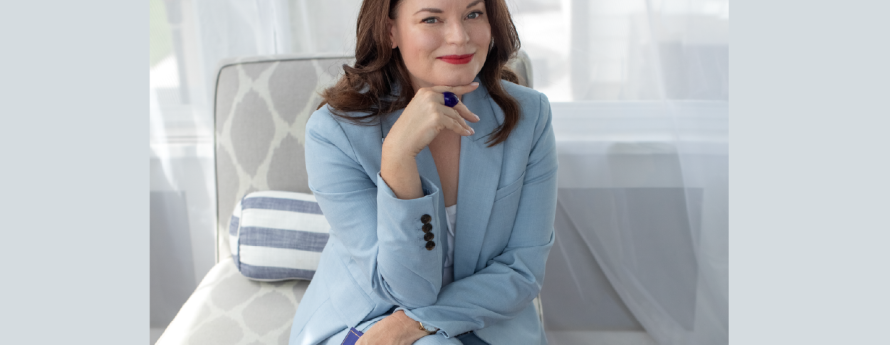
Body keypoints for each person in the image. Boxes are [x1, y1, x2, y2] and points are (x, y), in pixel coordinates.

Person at [288, 0, 557, 343]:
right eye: (432, 19)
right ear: (390, 31)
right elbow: (407, 288)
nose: (459, 37)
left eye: (473, 14)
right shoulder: (334, 133)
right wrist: (398, 157)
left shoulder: (529, 116)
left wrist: (411, 325)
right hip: (370, 317)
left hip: (487, 320)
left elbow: (523, 270)